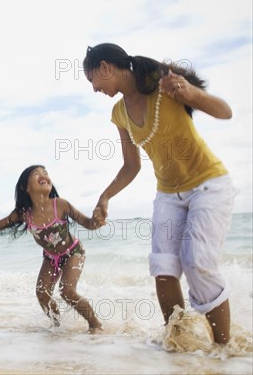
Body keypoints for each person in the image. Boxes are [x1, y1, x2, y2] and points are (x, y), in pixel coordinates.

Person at [83, 43, 235, 344]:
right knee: (163, 269)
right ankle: (179, 343)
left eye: (92, 81)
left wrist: (192, 94)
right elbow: (131, 166)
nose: (94, 88)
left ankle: (223, 350)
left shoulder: (165, 87)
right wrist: (105, 196)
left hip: (208, 184)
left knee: (197, 262)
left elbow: (225, 112)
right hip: (167, 194)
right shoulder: (118, 113)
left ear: (104, 67)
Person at [0, 165, 104, 333]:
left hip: (73, 251)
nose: (43, 176)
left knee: (67, 291)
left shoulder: (60, 204)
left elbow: (87, 223)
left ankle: (95, 325)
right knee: (42, 294)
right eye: (37, 174)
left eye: (46, 173)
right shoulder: (24, 213)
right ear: (25, 187)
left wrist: (97, 220)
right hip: (50, 257)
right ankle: (58, 326)